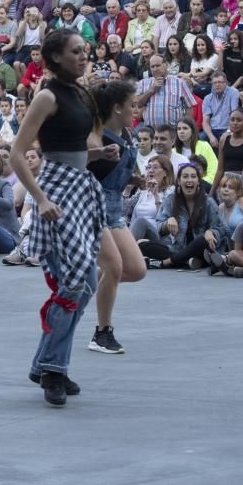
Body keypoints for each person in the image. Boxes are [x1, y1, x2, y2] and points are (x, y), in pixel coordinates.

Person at [8, 28, 106, 407]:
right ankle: (52, 368)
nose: (83, 56)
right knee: (75, 282)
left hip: (79, 186)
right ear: (56, 59)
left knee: (85, 282)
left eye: (85, 50)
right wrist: (40, 199)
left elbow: (73, 145)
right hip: (57, 191)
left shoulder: (80, 92)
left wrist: (97, 156)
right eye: (76, 51)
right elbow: (18, 153)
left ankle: (50, 362)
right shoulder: (46, 96)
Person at [87, 81, 146, 355]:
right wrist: (98, 153)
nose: (136, 109)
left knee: (136, 269)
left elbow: (117, 172)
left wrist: (133, 178)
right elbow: (75, 159)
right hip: (91, 206)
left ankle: (85, 285)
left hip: (114, 207)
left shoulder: (128, 133)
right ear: (117, 108)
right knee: (114, 268)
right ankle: (102, 333)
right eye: (132, 105)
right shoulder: (96, 133)